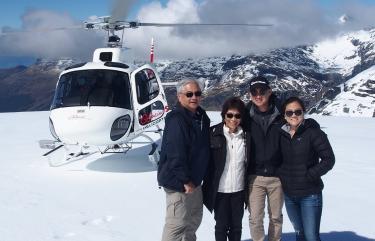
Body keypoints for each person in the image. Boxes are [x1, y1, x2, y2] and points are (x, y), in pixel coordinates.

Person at [157, 79, 210, 241]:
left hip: (195, 181)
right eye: (189, 94)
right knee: (177, 225)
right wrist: (185, 180)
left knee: (193, 221)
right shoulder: (177, 120)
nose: (194, 97)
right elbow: (175, 153)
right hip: (179, 183)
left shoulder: (201, 117)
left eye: (197, 93)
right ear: (180, 97)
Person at [279, 96, 335, 241]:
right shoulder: (281, 134)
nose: (294, 115)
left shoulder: (314, 133)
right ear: (284, 115)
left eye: (298, 112)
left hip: (309, 195)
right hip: (289, 195)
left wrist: (310, 175)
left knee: (311, 237)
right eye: (289, 112)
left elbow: (329, 159)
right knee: (300, 234)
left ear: (304, 112)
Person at [203, 97, 251, 241]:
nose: (233, 119)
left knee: (237, 227)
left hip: (239, 190)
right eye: (229, 115)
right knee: (221, 226)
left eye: (237, 115)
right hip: (220, 191)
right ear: (224, 115)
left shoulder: (247, 136)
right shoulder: (213, 134)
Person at [244, 76, 284, 241]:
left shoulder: (282, 114)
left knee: (276, 217)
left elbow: (300, 123)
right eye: (254, 92)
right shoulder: (245, 116)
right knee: (255, 218)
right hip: (255, 176)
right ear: (250, 94)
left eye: (262, 91)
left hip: (277, 176)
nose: (258, 95)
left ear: (270, 91)